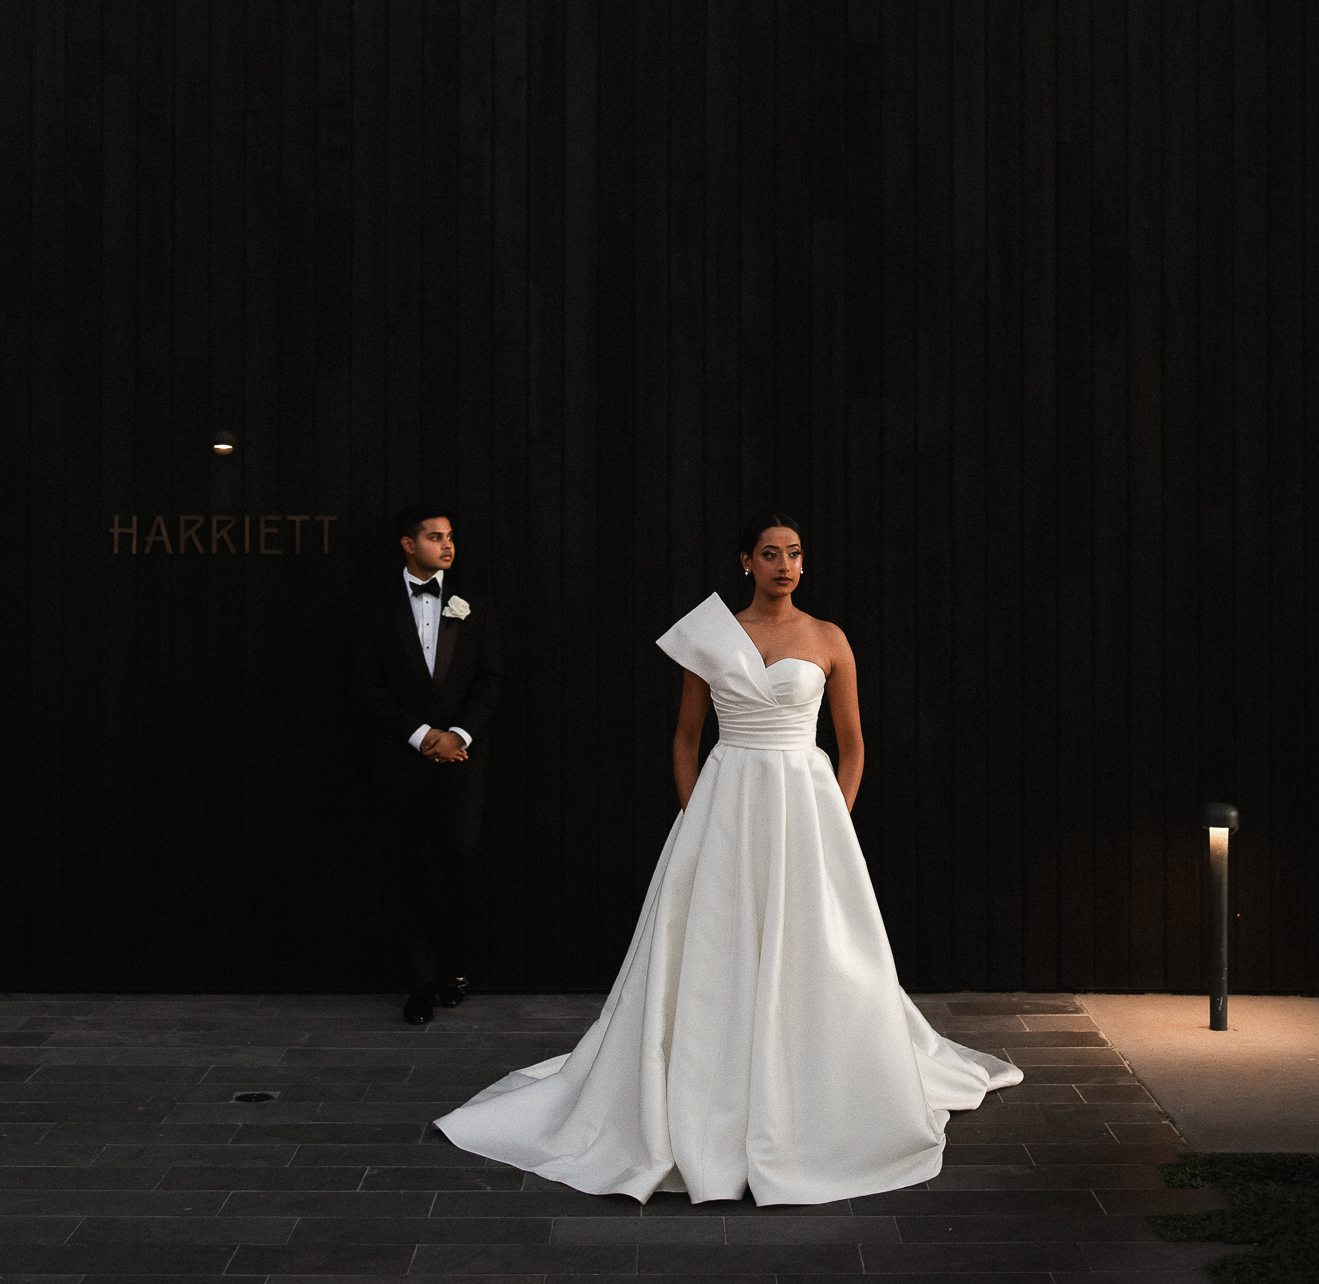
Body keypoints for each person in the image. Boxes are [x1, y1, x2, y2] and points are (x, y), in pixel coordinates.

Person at [434, 514, 1022, 1204]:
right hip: (726, 798)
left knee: (814, 941)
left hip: (804, 805)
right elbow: (686, 739)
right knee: (715, 940)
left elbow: (853, 744)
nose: (785, 565)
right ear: (746, 562)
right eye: (770, 554)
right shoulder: (711, 637)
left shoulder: (828, 637)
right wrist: (696, 814)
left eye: (794, 553)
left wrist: (833, 818)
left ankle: (813, 1076)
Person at [353, 504, 504, 1025]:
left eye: (450, 536)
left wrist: (458, 735)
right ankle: (419, 982)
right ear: (407, 544)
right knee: (407, 866)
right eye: (435, 537)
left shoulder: (473, 602)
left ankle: (455, 969)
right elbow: (366, 686)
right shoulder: (375, 608)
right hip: (401, 759)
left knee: (460, 857)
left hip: (463, 758)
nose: (447, 545)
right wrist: (421, 737)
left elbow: (491, 679)